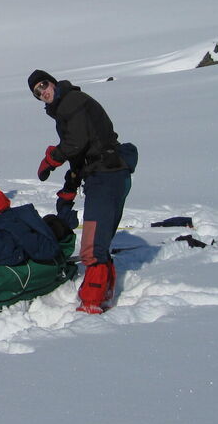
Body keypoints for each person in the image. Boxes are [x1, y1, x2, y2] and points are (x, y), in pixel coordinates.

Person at [27, 69, 137, 314]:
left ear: (53, 82)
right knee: (98, 241)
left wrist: (52, 158)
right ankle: (105, 293)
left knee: (92, 245)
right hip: (106, 174)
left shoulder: (71, 102)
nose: (42, 92)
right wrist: (70, 186)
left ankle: (91, 304)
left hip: (107, 176)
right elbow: (80, 152)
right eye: (37, 93)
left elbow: (76, 142)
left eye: (44, 85)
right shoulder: (65, 108)